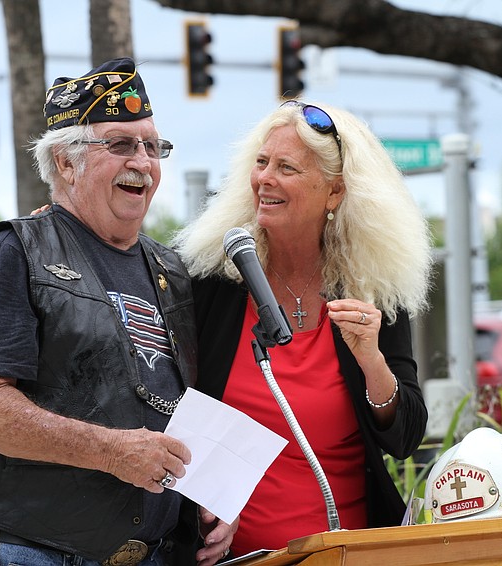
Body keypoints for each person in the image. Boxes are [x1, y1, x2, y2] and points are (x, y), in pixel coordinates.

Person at [0, 58, 233, 566]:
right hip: (39, 553)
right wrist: (110, 451)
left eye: (153, 146)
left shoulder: (172, 270)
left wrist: (213, 502)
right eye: (121, 144)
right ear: (65, 162)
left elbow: (185, 405)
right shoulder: (14, 253)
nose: (143, 161)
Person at [172, 100, 433, 556]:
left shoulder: (371, 291)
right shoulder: (213, 280)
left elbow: (405, 439)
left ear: (334, 193)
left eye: (286, 167)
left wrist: (371, 360)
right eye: (261, 163)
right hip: (235, 557)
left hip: (346, 553)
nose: (264, 179)